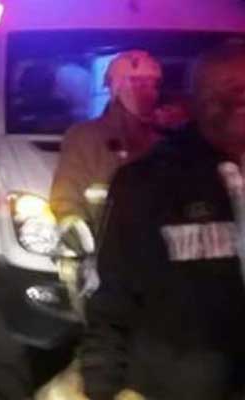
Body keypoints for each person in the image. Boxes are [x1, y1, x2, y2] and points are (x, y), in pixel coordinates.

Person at [81, 43, 245, 400]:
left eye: (151, 84)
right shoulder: (149, 175)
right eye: (220, 91)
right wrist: (102, 386)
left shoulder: (157, 135)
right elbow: (112, 296)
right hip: (180, 384)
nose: (237, 101)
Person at [51, 50, 164, 240]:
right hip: (102, 254)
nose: (147, 92)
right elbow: (66, 202)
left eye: (152, 84)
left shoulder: (164, 139)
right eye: (137, 83)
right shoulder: (85, 138)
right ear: (117, 88)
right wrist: (80, 245)